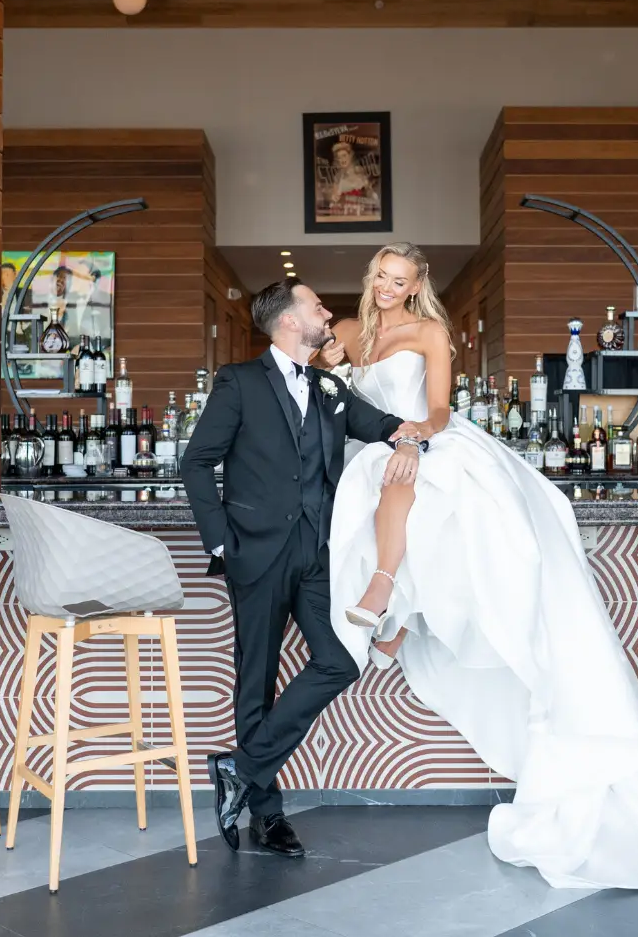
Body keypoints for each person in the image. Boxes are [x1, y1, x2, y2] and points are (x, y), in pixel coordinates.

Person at [321, 242, 638, 890]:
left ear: (416, 284)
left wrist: (415, 434)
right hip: (371, 446)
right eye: (380, 276)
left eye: (398, 279)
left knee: (423, 488)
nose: (386, 287)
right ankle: (398, 609)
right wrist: (328, 365)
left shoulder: (430, 330)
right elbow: (324, 392)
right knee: (385, 484)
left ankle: (390, 602)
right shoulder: (350, 330)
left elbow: (437, 408)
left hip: (426, 440)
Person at [181, 277, 423, 858]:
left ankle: (240, 768)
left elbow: (385, 425)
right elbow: (196, 463)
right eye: (317, 306)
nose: (327, 314)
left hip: (317, 555)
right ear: (289, 320)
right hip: (255, 553)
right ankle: (267, 817)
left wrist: (409, 441)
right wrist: (221, 543)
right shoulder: (239, 382)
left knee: (341, 660)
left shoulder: (330, 387)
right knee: (256, 683)